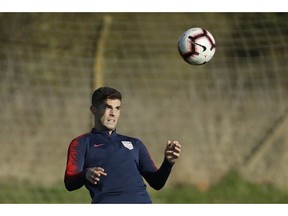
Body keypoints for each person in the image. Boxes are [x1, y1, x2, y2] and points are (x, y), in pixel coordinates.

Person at [64, 86, 181, 203]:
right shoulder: (81, 143)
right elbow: (70, 183)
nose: (113, 113)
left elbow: (157, 183)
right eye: (108, 107)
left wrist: (168, 163)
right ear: (93, 110)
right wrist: (85, 174)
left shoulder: (135, 144)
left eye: (117, 108)